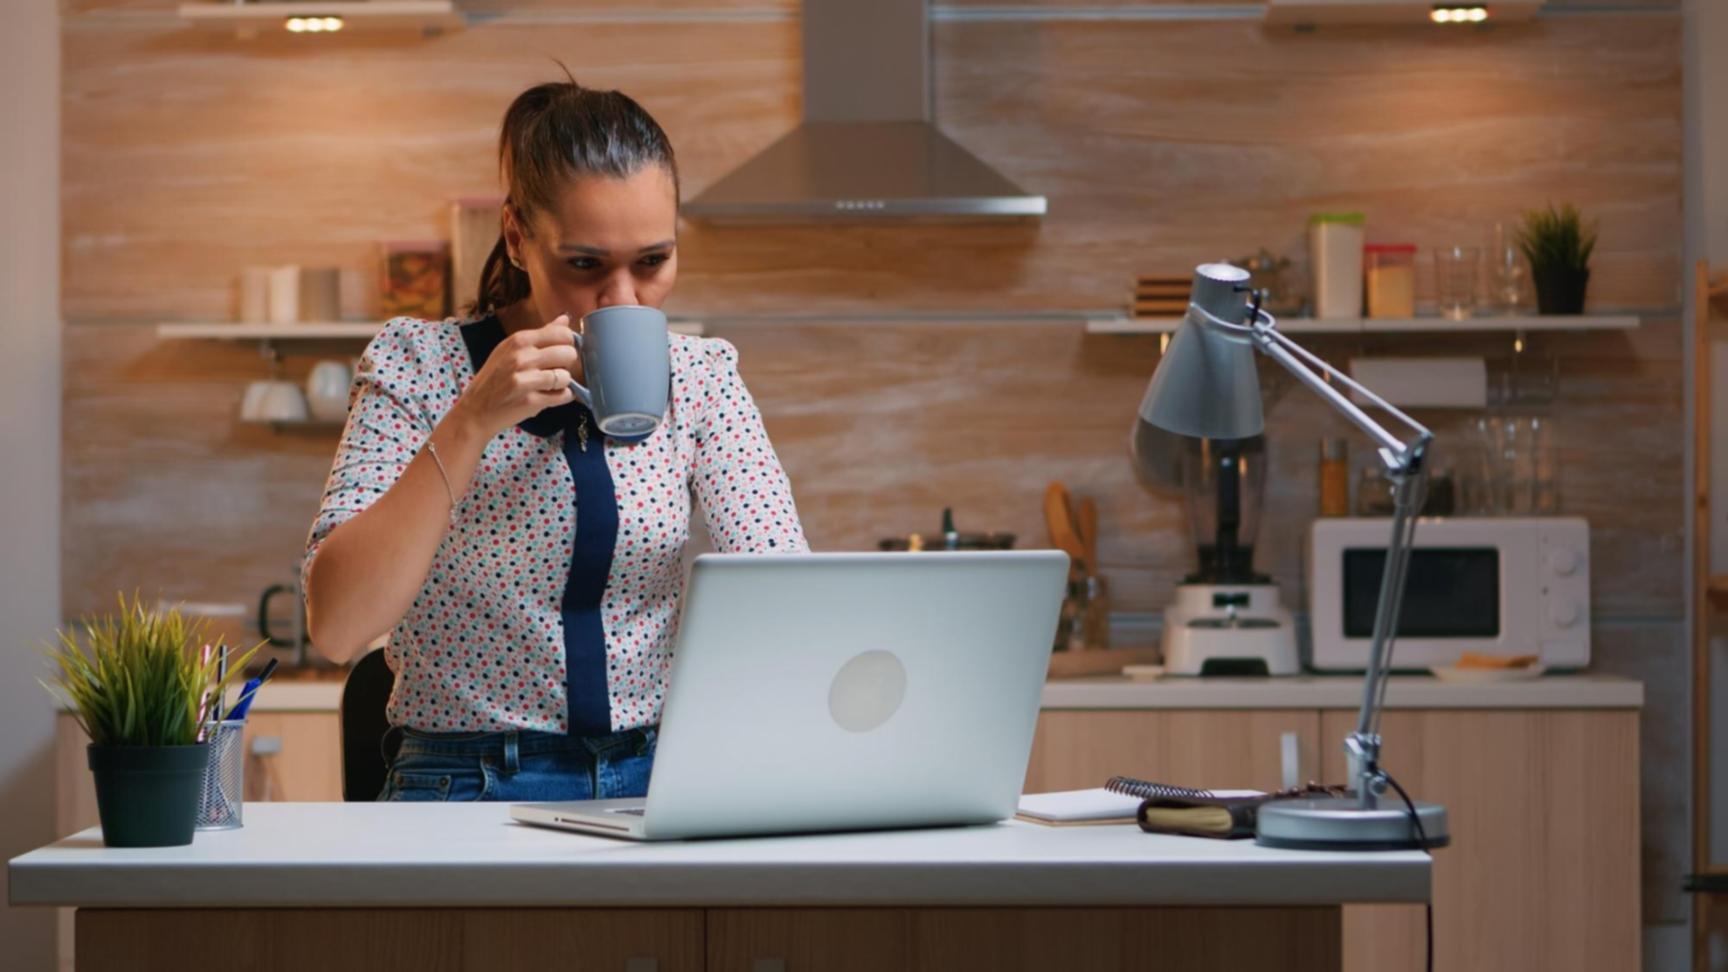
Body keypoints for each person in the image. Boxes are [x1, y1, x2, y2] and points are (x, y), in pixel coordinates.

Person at [301, 74, 809, 802]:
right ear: (515, 237)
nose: (623, 299)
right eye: (585, 265)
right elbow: (339, 625)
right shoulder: (416, 364)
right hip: (459, 780)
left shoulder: (702, 377)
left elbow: (784, 587)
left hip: (659, 780)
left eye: (652, 262)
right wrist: (472, 420)